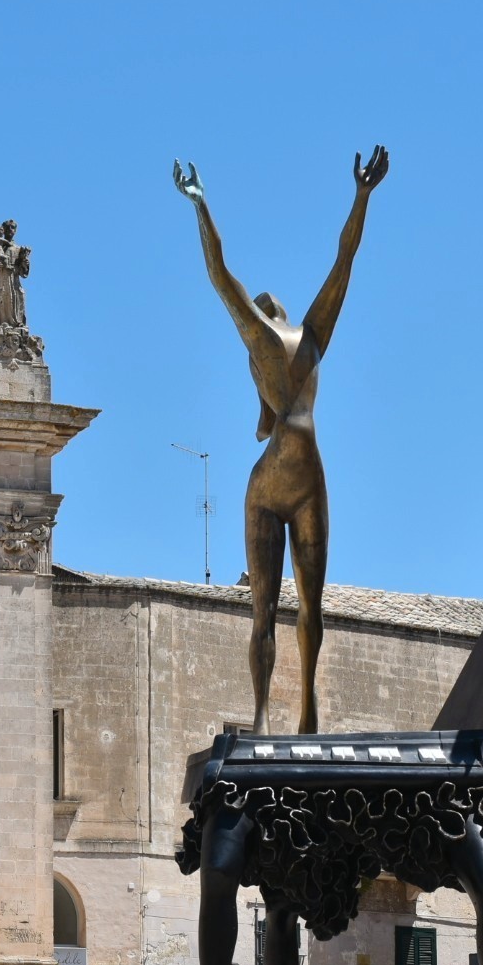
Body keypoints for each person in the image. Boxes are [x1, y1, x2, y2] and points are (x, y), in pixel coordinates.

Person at [173, 147, 388, 736]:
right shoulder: (314, 334)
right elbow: (345, 258)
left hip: (269, 485)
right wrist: (362, 197)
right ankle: (295, 714)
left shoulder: (263, 340)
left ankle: (274, 715)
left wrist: (201, 206)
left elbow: (219, 274)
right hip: (302, 477)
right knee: (301, 609)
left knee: (265, 613)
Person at [0, 220, 30, 330]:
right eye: (8, 227)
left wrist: (24, 262)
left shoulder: (19, 249)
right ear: (3, 230)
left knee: (15, 300)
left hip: (13, 280)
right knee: (0, 300)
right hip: (0, 279)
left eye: (13, 227)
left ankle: (16, 322)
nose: (11, 230)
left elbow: (23, 272)